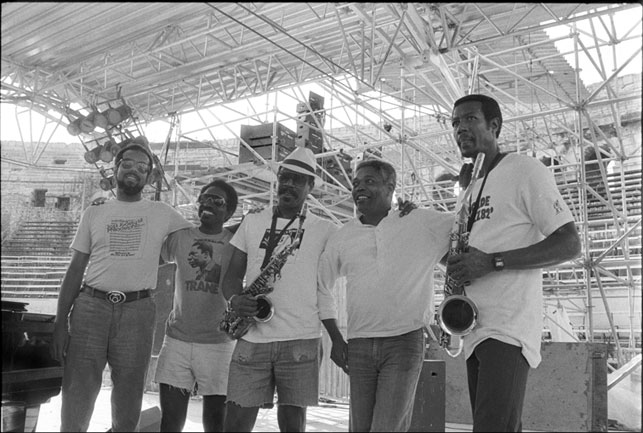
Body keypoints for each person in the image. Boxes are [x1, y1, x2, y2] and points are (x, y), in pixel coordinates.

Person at [446, 94, 581, 432]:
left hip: (507, 326)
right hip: (473, 327)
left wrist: (494, 262)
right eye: (454, 123)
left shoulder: (524, 170)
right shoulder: (468, 187)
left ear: (494, 126)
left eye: (469, 119)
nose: (460, 127)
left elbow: (569, 242)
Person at [51, 139, 193, 432]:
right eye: (127, 164)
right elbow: (76, 268)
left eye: (142, 167)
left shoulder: (162, 212)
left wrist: (243, 227)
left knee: (129, 399)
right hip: (91, 308)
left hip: (137, 311)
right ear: (115, 169)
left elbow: (202, 236)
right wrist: (59, 323)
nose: (134, 170)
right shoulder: (95, 211)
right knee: (77, 393)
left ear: (150, 176)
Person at [317, 159, 454, 432]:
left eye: (369, 181)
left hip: (404, 342)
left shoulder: (418, 221)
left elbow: (464, 229)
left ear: (391, 187)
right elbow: (322, 286)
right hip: (358, 345)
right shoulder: (343, 236)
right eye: (356, 184)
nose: (359, 189)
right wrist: (335, 338)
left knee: (386, 428)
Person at [220, 146, 344, 432]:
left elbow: (331, 280)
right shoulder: (252, 221)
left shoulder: (325, 229)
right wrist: (234, 299)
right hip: (252, 337)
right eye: (285, 176)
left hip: (301, 338)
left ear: (310, 186)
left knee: (293, 423)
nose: (289, 183)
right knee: (236, 421)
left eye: (298, 179)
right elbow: (230, 277)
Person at [154, 179, 239, 432]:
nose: (208, 204)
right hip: (177, 342)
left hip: (219, 345)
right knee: (170, 424)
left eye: (217, 201)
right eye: (205, 198)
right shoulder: (181, 237)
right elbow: (148, 258)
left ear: (229, 211)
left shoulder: (236, 242)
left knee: (216, 424)